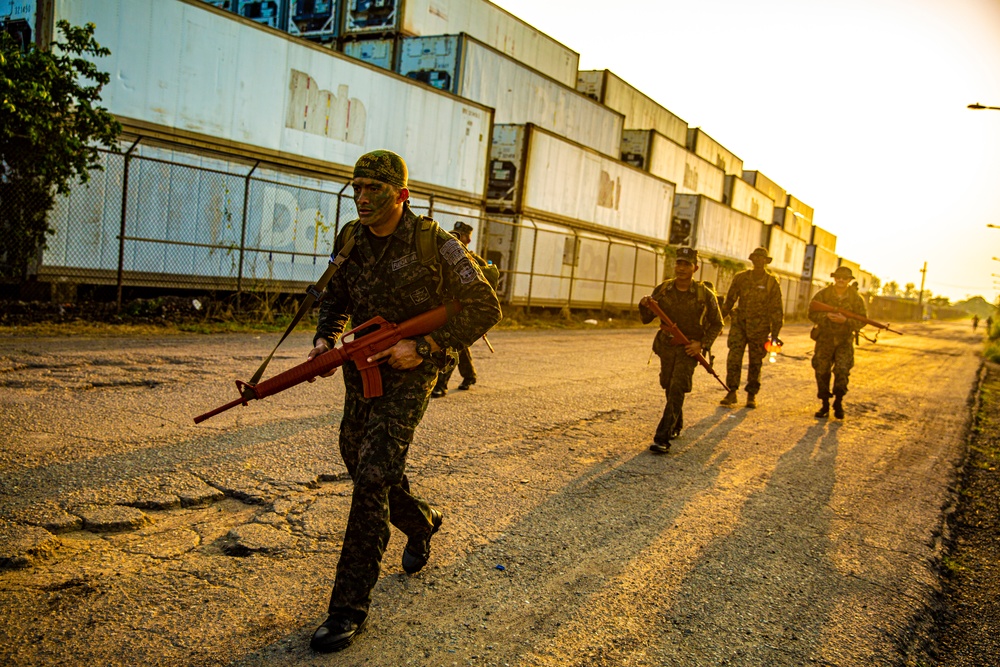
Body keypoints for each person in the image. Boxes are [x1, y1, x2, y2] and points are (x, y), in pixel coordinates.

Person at [306, 151, 502, 652]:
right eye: (357, 187)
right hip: (362, 368)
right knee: (357, 458)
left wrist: (428, 347)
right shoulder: (350, 236)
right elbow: (336, 297)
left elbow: (485, 304)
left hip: (412, 373)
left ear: (402, 194)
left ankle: (347, 608)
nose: (363, 197)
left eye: (374, 188)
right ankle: (420, 521)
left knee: (372, 475)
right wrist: (325, 340)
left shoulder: (432, 241)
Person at [639, 246, 724, 453]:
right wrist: (643, 305)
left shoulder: (705, 294)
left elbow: (717, 323)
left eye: (686, 264)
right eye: (679, 263)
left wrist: (701, 344)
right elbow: (646, 318)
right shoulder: (664, 289)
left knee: (678, 386)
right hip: (666, 346)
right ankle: (676, 423)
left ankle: (662, 437)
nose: (681, 268)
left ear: (695, 268)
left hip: (689, 349)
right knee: (668, 384)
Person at [432, 221, 492, 397]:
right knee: (460, 345)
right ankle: (470, 376)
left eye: (460, 234)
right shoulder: (444, 254)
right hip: (446, 307)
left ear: (468, 239)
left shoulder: (475, 261)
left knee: (452, 345)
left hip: (463, 310)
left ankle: (441, 384)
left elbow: (487, 287)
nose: (455, 236)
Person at [718, 247, 784, 409]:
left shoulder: (771, 282)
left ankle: (751, 395)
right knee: (734, 358)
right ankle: (731, 391)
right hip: (739, 324)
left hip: (760, 328)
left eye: (762, 259)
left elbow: (777, 309)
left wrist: (775, 334)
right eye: (756, 258)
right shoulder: (741, 278)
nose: (759, 261)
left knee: (755, 362)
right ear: (752, 260)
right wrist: (719, 321)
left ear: (766, 262)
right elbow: (729, 301)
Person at [809, 266, 867, 419]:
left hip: (844, 341)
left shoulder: (856, 298)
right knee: (821, 371)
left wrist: (846, 321)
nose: (841, 280)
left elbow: (862, 320)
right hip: (825, 339)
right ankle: (825, 404)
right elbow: (811, 312)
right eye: (838, 277)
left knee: (842, 371)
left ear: (849, 280)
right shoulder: (823, 295)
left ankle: (838, 402)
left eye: (845, 278)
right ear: (834, 278)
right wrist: (826, 316)